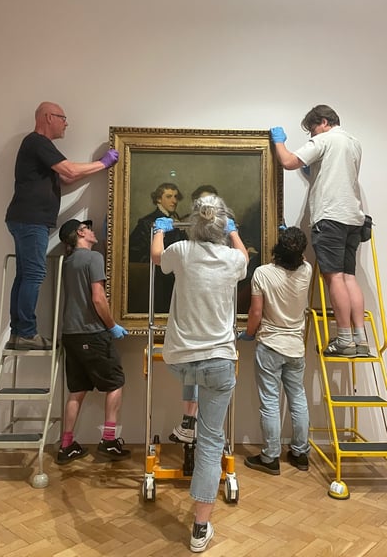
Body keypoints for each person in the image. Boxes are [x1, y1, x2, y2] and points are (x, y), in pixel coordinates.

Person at [151, 195, 248, 553]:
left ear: (192, 223)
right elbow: (245, 258)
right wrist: (235, 234)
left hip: (180, 360)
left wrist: (159, 232)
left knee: (192, 373)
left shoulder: (181, 250)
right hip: (219, 361)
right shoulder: (233, 258)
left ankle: (187, 420)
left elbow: (157, 257)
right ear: (224, 225)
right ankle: (199, 528)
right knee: (211, 445)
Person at [5, 101, 119, 351]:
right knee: (33, 274)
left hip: (26, 219)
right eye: (63, 117)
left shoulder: (41, 150)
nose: (66, 123)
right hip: (30, 219)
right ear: (48, 117)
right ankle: (25, 333)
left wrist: (97, 168)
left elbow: (67, 177)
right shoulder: (37, 142)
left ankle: (19, 332)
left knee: (25, 274)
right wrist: (103, 163)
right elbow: (68, 169)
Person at [270, 105, 368, 357]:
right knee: (348, 277)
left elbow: (289, 162)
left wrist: (279, 142)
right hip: (353, 218)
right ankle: (360, 338)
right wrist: (313, 170)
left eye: (312, 130)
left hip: (331, 217)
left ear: (323, 122)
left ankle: (344, 340)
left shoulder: (325, 139)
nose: (312, 136)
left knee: (334, 277)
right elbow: (337, 173)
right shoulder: (353, 142)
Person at [56, 218, 130, 464]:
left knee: (76, 390)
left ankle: (66, 445)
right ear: (80, 232)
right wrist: (112, 326)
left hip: (70, 334)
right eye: (88, 228)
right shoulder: (93, 258)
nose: (92, 231)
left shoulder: (67, 262)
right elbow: (98, 298)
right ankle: (109, 441)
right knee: (115, 383)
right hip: (92, 332)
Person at [240, 226, 312, 475]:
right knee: (298, 399)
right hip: (295, 346)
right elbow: (296, 258)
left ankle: (270, 457)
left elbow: (256, 312)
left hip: (270, 344)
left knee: (270, 403)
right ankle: (301, 454)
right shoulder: (307, 270)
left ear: (278, 247)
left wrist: (248, 334)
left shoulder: (262, 273)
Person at [169, 184, 219, 444]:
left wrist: (158, 233)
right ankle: (190, 423)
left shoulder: (187, 250)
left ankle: (194, 425)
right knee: (193, 377)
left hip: (200, 338)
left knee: (197, 376)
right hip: (205, 337)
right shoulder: (186, 247)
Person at [129, 182, 187, 312]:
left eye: (176, 197)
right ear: (158, 199)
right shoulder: (146, 222)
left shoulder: (178, 221)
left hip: (177, 278)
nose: (174, 200)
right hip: (157, 280)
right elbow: (135, 252)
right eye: (169, 196)